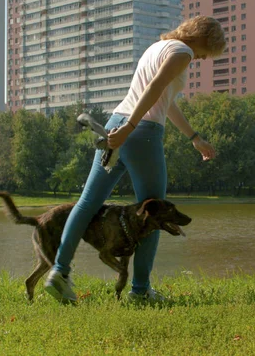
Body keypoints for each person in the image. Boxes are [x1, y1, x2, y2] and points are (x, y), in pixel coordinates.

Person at [44, 16, 226, 303]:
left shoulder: (158, 47)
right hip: (141, 133)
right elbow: (154, 91)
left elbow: (165, 100)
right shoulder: (183, 52)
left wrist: (194, 137)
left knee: (87, 203)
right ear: (204, 39)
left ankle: (59, 272)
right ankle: (140, 291)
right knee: (154, 213)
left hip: (116, 120)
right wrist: (130, 130)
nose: (204, 58)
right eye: (209, 51)